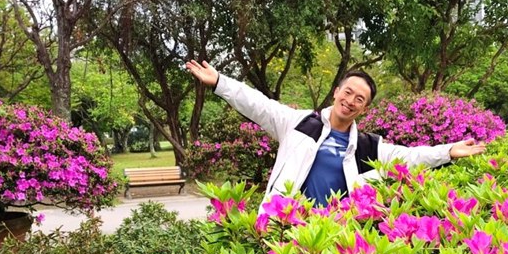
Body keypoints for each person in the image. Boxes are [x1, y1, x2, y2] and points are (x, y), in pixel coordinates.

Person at [185, 59, 488, 206]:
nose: (351, 101)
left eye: (360, 99)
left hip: (330, 231)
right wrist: (220, 82)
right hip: (285, 222)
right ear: (336, 92)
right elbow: (258, 104)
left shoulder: (368, 146)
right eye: (348, 92)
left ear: (365, 108)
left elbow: (409, 156)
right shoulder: (300, 123)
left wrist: (448, 151)